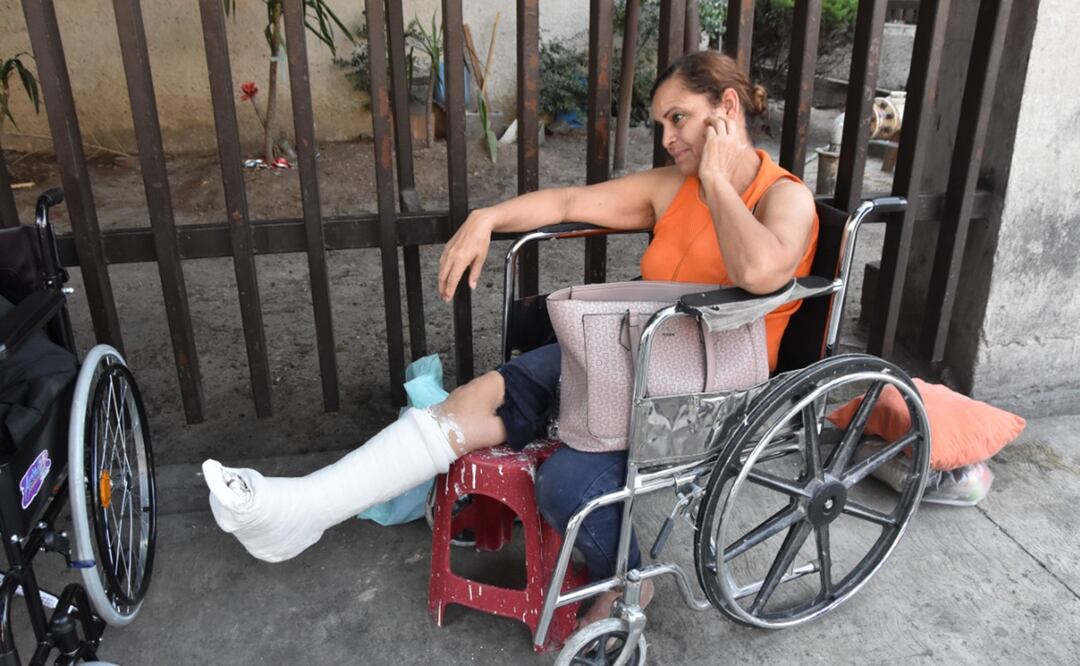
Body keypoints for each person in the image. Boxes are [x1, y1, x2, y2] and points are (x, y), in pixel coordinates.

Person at [202, 50, 817, 628]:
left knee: (564, 485)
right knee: (476, 398)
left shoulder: (786, 196)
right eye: (661, 124)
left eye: (678, 119)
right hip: (634, 354)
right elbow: (570, 199)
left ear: (727, 109)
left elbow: (761, 272)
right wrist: (487, 217)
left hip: (708, 390)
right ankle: (301, 511)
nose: (668, 139)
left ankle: (629, 580)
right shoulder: (671, 186)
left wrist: (715, 182)